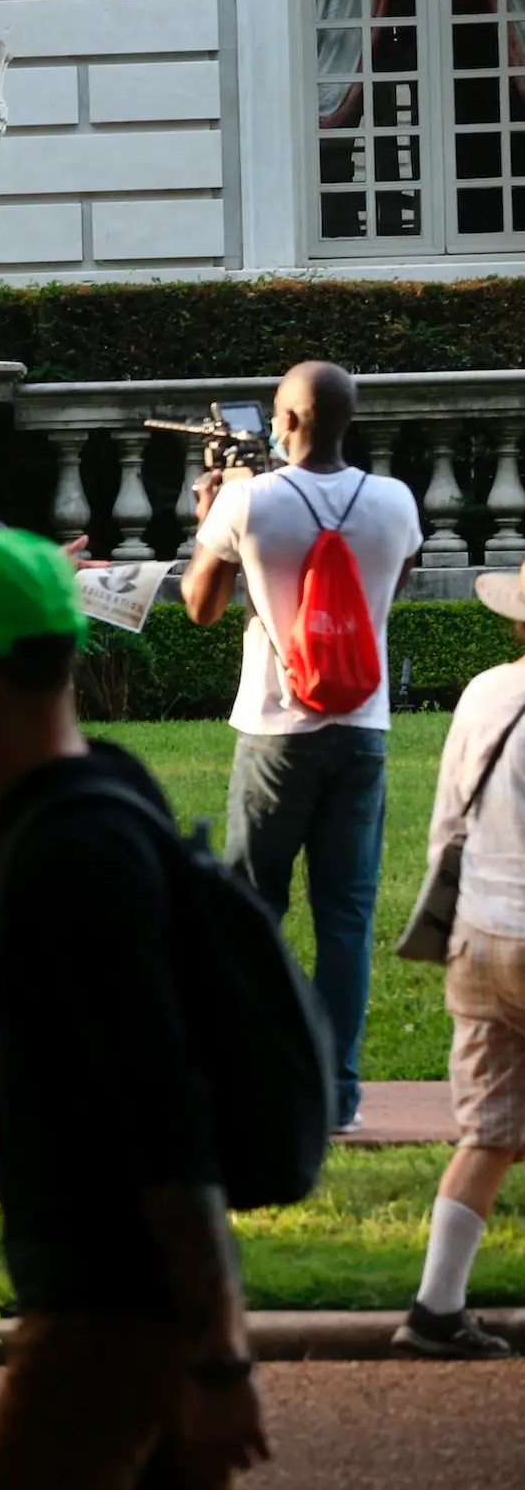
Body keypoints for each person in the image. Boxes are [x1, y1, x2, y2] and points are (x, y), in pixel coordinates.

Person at [0, 530, 268, 1488]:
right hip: (135, 1300)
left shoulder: (71, 856)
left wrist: (220, 1355)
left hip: (109, 1310)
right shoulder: (100, 785)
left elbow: (163, 1113)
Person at [183, 360, 424, 1132]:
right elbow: (395, 584)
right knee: (346, 920)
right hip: (363, 731)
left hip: (275, 729)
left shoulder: (248, 501)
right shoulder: (393, 501)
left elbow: (202, 608)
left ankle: (255, 1080)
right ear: (348, 421)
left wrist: (208, 517)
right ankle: (340, 1094)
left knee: (254, 910)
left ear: (283, 422)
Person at [395, 561, 525, 1360]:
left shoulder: (484, 693)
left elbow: (448, 823)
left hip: (477, 934)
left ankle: (436, 1306)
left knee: (488, 1132)